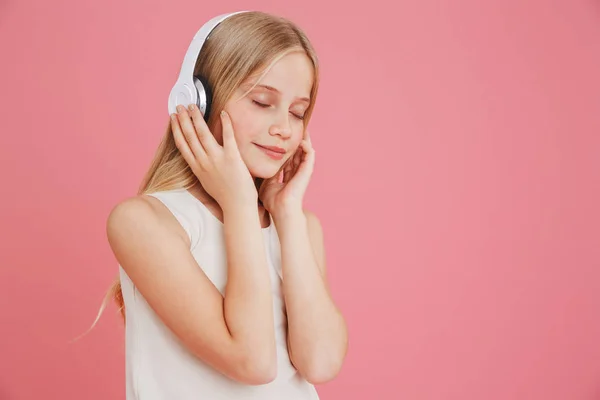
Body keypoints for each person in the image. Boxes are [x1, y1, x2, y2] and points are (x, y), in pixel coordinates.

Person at [97, 10, 348, 400]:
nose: (284, 127)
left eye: (297, 112)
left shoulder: (297, 224)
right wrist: (240, 205)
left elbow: (321, 362)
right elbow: (253, 361)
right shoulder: (143, 222)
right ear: (196, 100)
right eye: (263, 102)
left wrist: (286, 213)